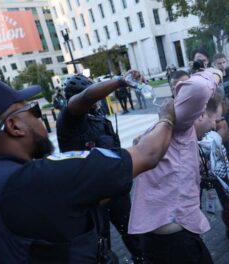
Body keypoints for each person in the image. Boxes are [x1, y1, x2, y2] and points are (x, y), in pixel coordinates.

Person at [0, 76, 175, 263]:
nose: (40, 117)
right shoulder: (42, 179)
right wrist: (167, 116)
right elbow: (149, 154)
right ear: (14, 126)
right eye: (33, 110)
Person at [128, 69, 222, 264]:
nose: (216, 127)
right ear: (201, 114)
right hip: (174, 245)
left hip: (159, 239)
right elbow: (199, 87)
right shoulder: (181, 126)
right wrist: (217, 72)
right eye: (217, 120)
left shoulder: (170, 131)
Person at [57, 73, 144, 263]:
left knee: (134, 235)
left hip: (115, 192)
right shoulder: (69, 119)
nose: (97, 101)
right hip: (92, 200)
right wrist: (119, 81)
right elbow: (87, 97)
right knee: (101, 249)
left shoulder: (97, 116)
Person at [195, 92, 229, 250]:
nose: (214, 125)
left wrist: (206, 145)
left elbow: (223, 132)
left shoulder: (213, 111)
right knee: (191, 206)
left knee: (227, 201)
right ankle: (194, 237)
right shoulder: (180, 116)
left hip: (216, 167)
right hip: (195, 173)